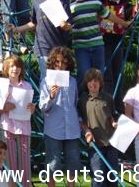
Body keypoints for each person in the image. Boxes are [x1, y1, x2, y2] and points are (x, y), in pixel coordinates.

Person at [70, 0, 131, 89]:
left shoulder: (95, 3)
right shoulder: (71, 7)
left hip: (97, 45)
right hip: (81, 47)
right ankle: (82, 102)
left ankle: (99, 101)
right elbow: (67, 24)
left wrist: (125, 23)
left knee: (99, 75)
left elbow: (109, 16)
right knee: (83, 74)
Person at [11, 0, 71, 81]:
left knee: (60, 79)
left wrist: (65, 25)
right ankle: (47, 98)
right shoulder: (36, 1)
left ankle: (60, 99)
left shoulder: (62, 1)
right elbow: (33, 23)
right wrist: (17, 29)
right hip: (42, 47)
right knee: (46, 78)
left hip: (59, 46)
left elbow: (69, 26)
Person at [96, 0, 138, 112]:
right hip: (104, 39)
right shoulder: (102, 0)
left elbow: (132, 15)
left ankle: (118, 107)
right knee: (107, 73)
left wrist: (137, 2)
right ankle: (107, 104)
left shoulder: (124, 4)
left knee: (118, 73)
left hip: (118, 40)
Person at [39, 46, 82, 187]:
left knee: (73, 162)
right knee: (53, 163)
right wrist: (51, 96)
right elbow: (43, 108)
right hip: (53, 129)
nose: (60, 65)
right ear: (52, 63)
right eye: (57, 62)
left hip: (72, 128)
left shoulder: (73, 81)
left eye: (63, 62)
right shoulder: (46, 81)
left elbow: (75, 104)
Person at [0, 55, 35, 187]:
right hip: (8, 127)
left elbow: (30, 107)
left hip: (24, 127)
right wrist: (4, 105)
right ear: (6, 69)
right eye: (12, 66)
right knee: (10, 164)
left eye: (18, 66)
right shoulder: (1, 85)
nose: (15, 69)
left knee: (25, 164)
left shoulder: (27, 85)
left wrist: (32, 108)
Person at [78, 68, 118, 187]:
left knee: (112, 177)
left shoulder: (108, 98)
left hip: (111, 143)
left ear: (100, 83)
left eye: (96, 81)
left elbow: (112, 115)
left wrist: (114, 123)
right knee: (98, 177)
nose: (93, 83)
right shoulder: (82, 100)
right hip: (95, 144)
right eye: (90, 81)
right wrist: (86, 131)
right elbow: (81, 120)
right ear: (86, 83)